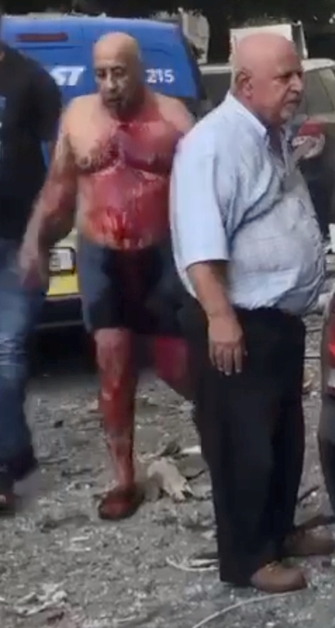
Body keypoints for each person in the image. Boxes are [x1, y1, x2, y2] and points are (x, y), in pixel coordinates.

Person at [170, 32, 335, 594]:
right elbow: (200, 243)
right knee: (242, 445)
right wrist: (220, 317)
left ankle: (279, 532)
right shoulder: (213, 144)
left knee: (282, 437)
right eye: (285, 77)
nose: (297, 86)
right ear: (244, 84)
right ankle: (247, 559)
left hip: (276, 322)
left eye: (298, 75)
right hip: (237, 320)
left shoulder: (267, 134)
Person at [18, 32, 194, 521]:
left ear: (139, 71)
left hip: (159, 254)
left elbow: (208, 192)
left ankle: (222, 433)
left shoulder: (174, 119)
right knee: (113, 367)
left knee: (178, 365)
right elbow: (58, 190)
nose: (111, 84)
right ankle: (122, 478)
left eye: (120, 72)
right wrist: (36, 241)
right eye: (102, 74)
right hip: (102, 255)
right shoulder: (77, 118)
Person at [0, 4, 63, 515]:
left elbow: (57, 170)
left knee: (7, 355)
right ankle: (11, 461)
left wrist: (40, 238)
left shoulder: (31, 80)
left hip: (15, 239)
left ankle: (11, 459)